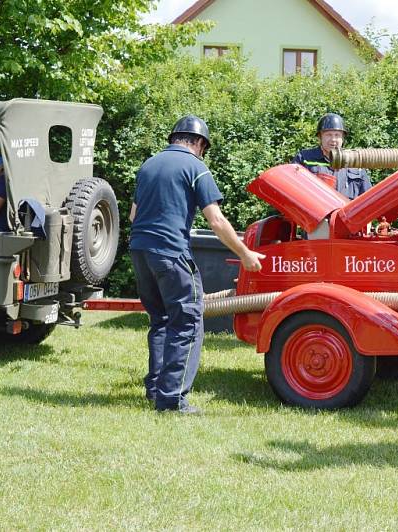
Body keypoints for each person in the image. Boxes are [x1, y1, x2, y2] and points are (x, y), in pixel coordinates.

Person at [129, 115, 265, 415]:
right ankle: (172, 399)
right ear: (201, 143)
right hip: (171, 252)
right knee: (188, 321)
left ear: (174, 137)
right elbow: (215, 220)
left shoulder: (149, 165)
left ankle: (155, 389)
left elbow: (132, 216)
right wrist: (245, 254)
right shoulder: (196, 167)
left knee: (161, 320)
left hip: (139, 250)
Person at [292, 113, 372, 199]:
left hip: (347, 212)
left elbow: (368, 198)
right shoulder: (305, 158)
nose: (333, 140)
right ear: (320, 137)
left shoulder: (355, 163)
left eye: (337, 135)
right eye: (328, 135)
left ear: (343, 138)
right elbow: (292, 189)